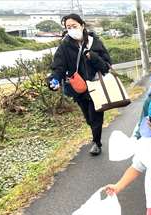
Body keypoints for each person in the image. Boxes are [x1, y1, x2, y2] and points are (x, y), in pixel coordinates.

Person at [48, 13, 112, 156]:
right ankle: (95, 133)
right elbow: (58, 67)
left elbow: (106, 65)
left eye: (74, 26)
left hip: (96, 86)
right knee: (89, 118)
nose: (72, 29)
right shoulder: (64, 46)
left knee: (96, 116)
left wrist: (93, 56)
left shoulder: (94, 42)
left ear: (82, 25)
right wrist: (54, 79)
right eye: (68, 27)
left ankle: (96, 143)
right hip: (78, 89)